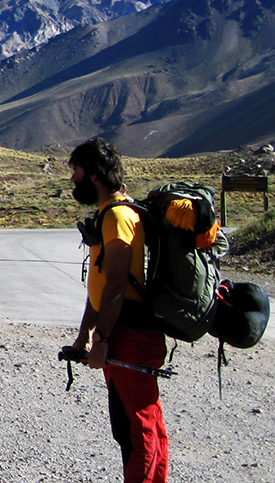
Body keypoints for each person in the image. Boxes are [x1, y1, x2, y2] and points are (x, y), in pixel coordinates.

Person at [66, 137, 168, 483]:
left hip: (131, 334)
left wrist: (104, 339)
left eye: (76, 172)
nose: (72, 179)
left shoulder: (118, 217)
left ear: (94, 174)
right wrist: (84, 336)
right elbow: (99, 284)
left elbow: (116, 284)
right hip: (123, 332)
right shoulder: (108, 215)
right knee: (130, 430)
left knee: (139, 432)